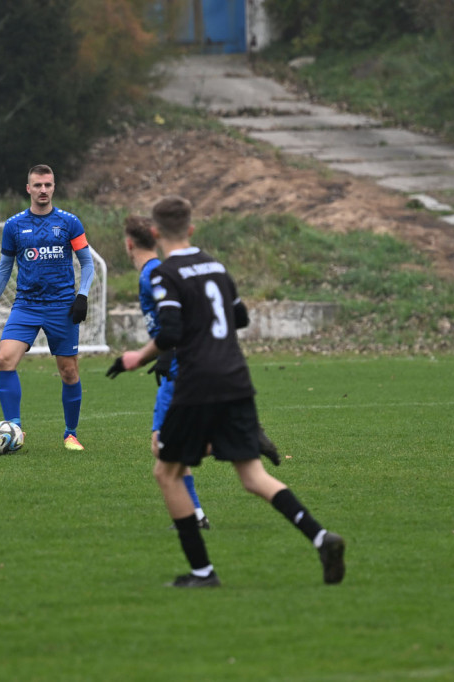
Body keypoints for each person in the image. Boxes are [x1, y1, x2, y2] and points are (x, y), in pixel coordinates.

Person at [106, 196, 344, 587]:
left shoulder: (166, 272)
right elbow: (240, 317)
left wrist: (137, 357)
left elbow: (169, 332)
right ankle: (321, 536)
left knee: (166, 471)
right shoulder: (216, 265)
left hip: (198, 382)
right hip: (236, 377)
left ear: (153, 233)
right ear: (192, 229)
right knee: (252, 476)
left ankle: (203, 572)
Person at [0, 164, 96, 451]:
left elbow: (87, 262)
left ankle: (71, 434)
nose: (43, 190)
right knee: (5, 360)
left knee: (68, 372)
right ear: (28, 188)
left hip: (62, 307)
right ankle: (13, 430)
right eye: (38, 185)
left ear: (54, 187)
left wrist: (82, 296)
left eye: (48, 185)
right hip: (26, 306)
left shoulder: (69, 222)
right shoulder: (14, 225)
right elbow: (5, 268)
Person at [123, 215, 209, 529]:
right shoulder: (154, 271)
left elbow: (180, 319)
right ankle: (196, 515)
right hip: (179, 366)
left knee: (162, 445)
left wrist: (166, 353)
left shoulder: (153, 275)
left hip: (179, 369)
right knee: (168, 447)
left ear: (129, 243)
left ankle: (239, 444)